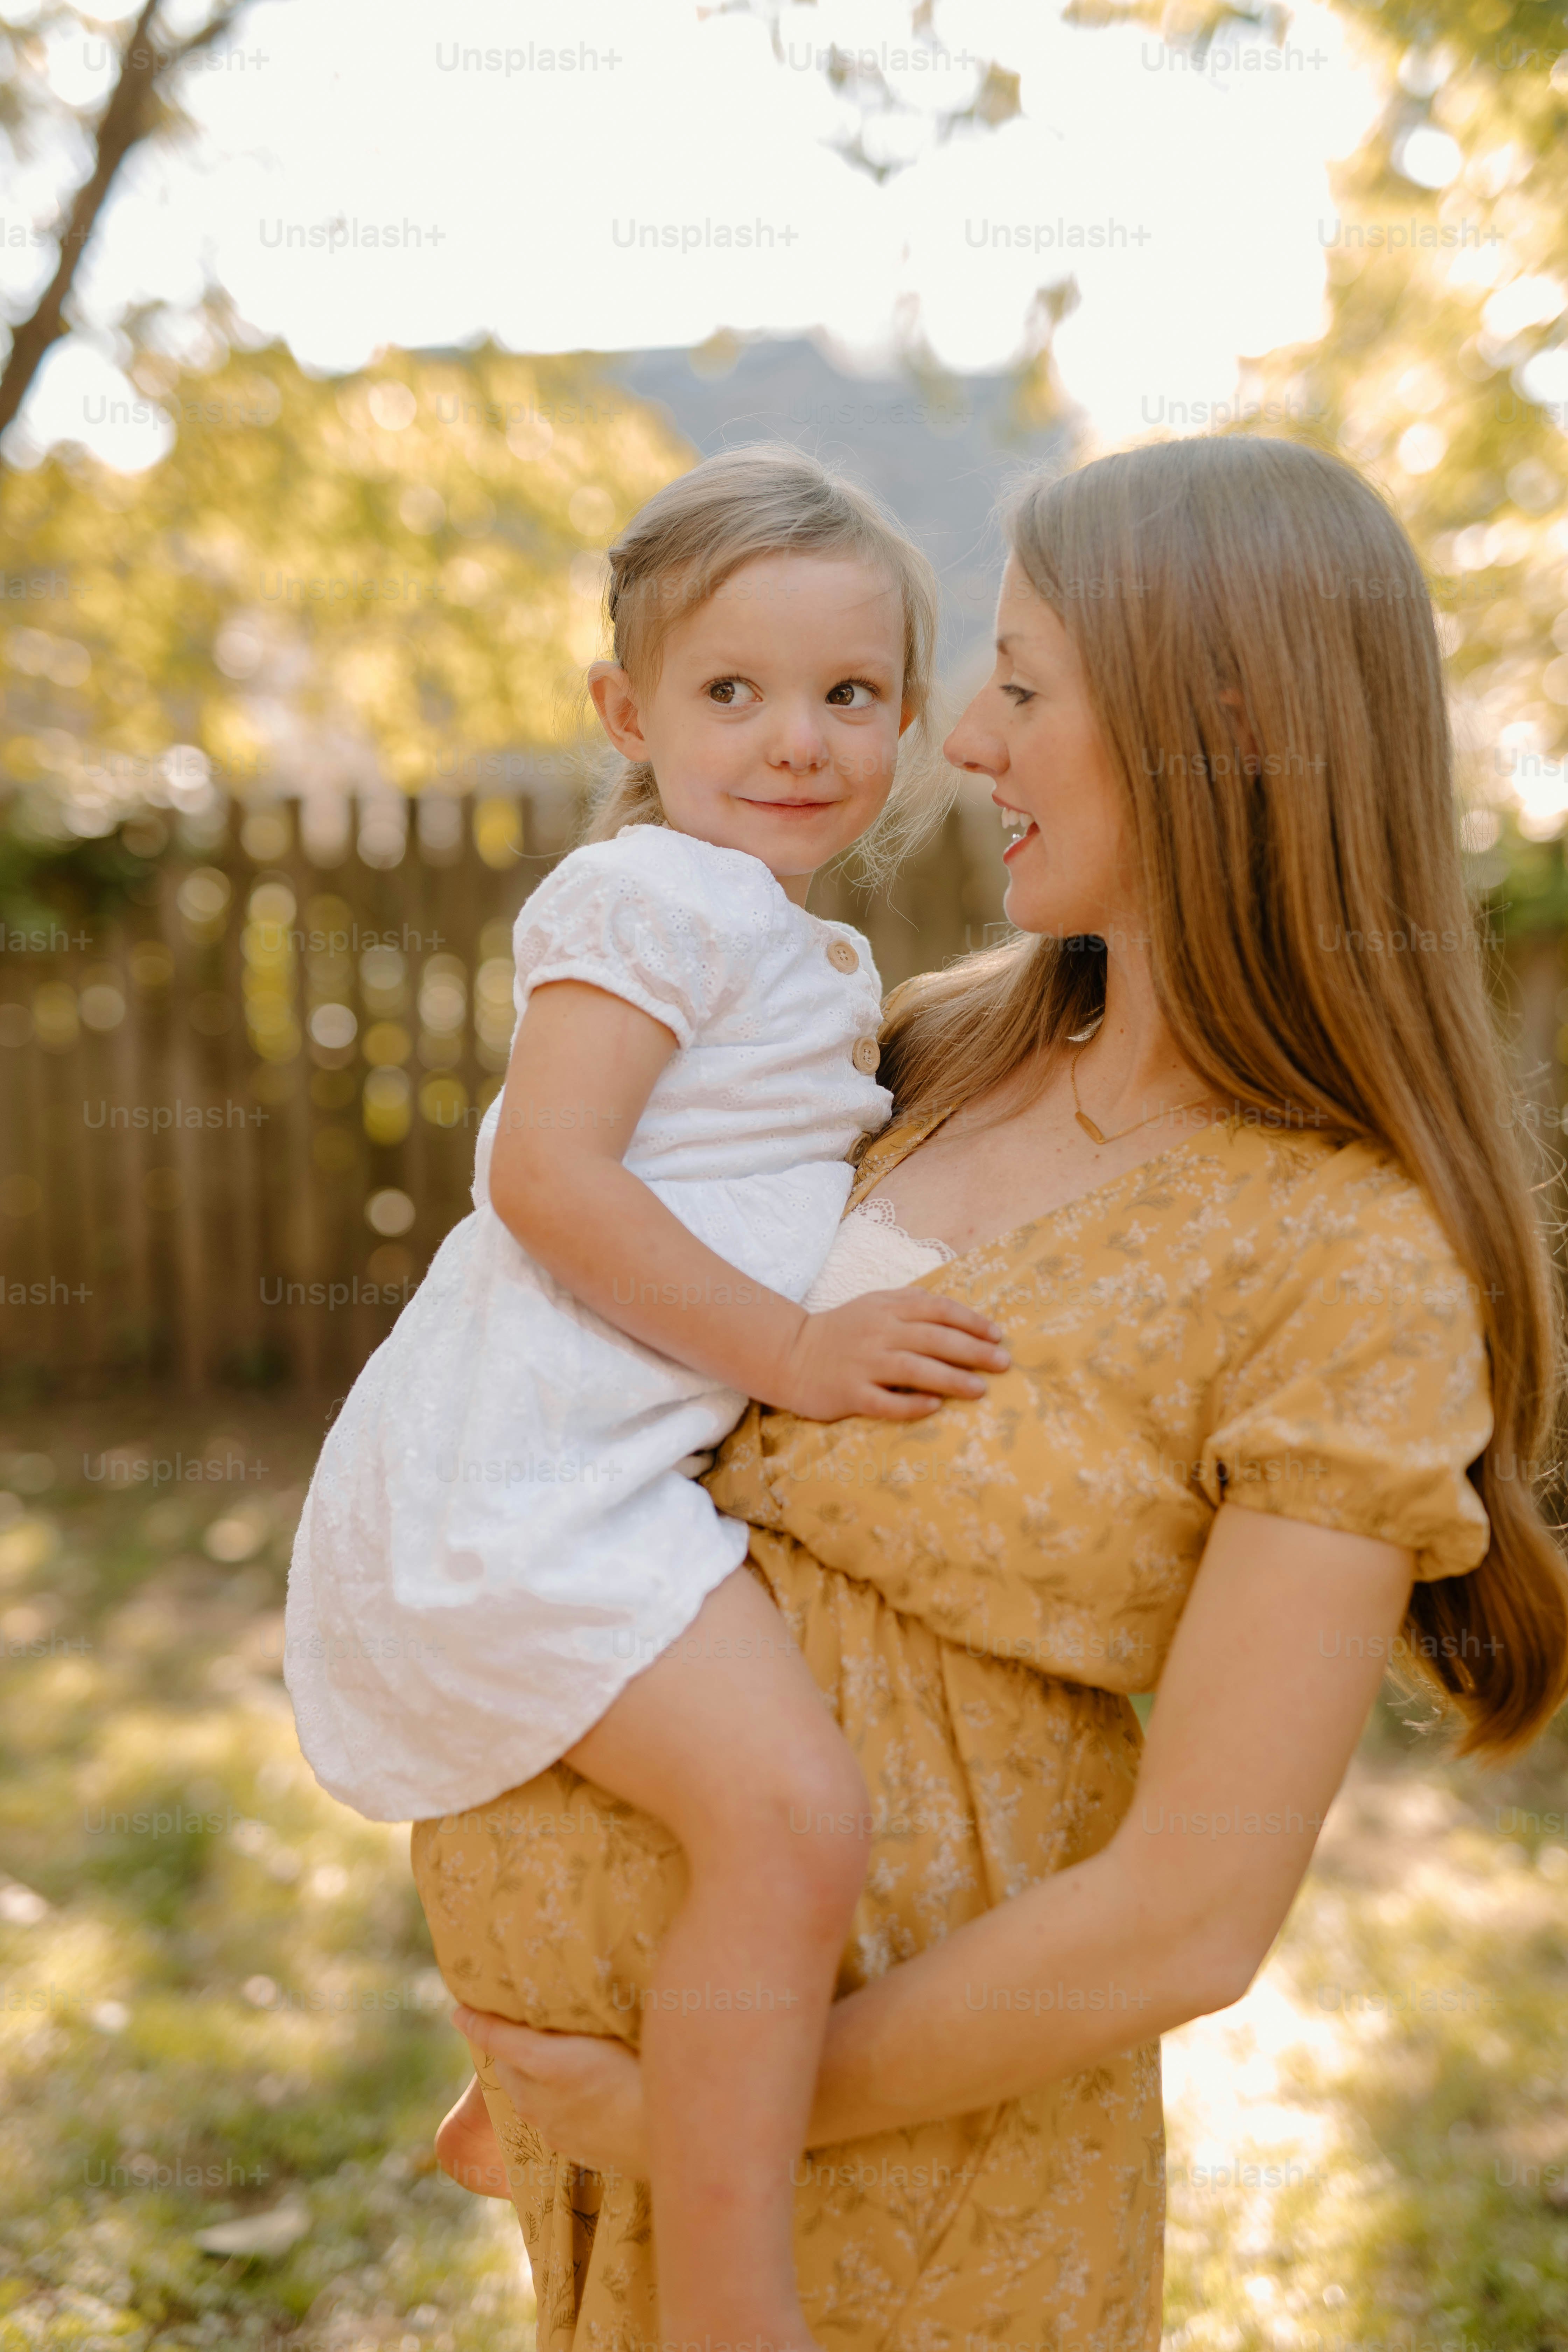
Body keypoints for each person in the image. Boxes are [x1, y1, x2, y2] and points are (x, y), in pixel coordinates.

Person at [415, 433, 1568, 2345]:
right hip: (619, 2152)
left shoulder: (1350, 1263)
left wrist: (716, 2102)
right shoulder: (924, 1049)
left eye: (1023, 686)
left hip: (918, 2191)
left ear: (1213, 727)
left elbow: (1192, 1913)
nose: (962, 742)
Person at [283, 447, 1011, 2352]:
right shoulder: (643, 899)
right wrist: (795, 1357)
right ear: (626, 713)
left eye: (851, 694)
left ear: (910, 721)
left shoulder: (780, 936)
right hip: (529, 1479)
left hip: (596, 1461)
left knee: (731, 1815)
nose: (798, 739)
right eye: (733, 692)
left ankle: (520, 2101)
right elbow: (551, 1178)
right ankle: (732, 2309)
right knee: (791, 1822)